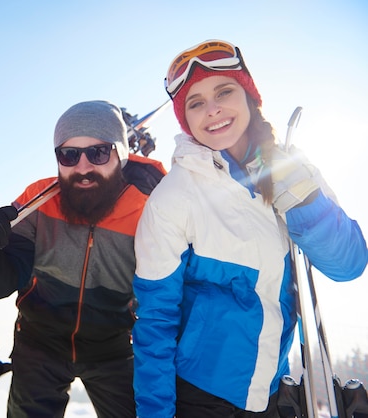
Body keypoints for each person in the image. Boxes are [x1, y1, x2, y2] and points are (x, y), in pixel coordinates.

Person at [132, 39, 368, 417]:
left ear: (248, 96)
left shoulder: (294, 167)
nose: (213, 110)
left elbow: (348, 264)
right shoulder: (174, 196)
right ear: (186, 120)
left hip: (272, 391)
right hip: (201, 396)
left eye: (223, 91)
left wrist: (306, 203)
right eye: (196, 103)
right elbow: (155, 321)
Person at [0, 100, 167, 417]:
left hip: (114, 347)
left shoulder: (149, 210)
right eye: (69, 154)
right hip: (39, 343)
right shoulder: (39, 200)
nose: (82, 166)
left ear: (121, 155)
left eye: (98, 153)